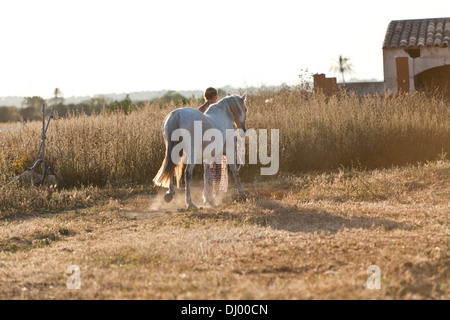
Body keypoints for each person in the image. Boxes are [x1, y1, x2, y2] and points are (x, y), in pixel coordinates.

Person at [198, 87, 228, 198]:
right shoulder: (217, 109)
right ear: (215, 96)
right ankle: (217, 192)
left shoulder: (200, 109)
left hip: (204, 143)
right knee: (218, 168)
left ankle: (208, 192)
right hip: (216, 140)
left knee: (207, 170)